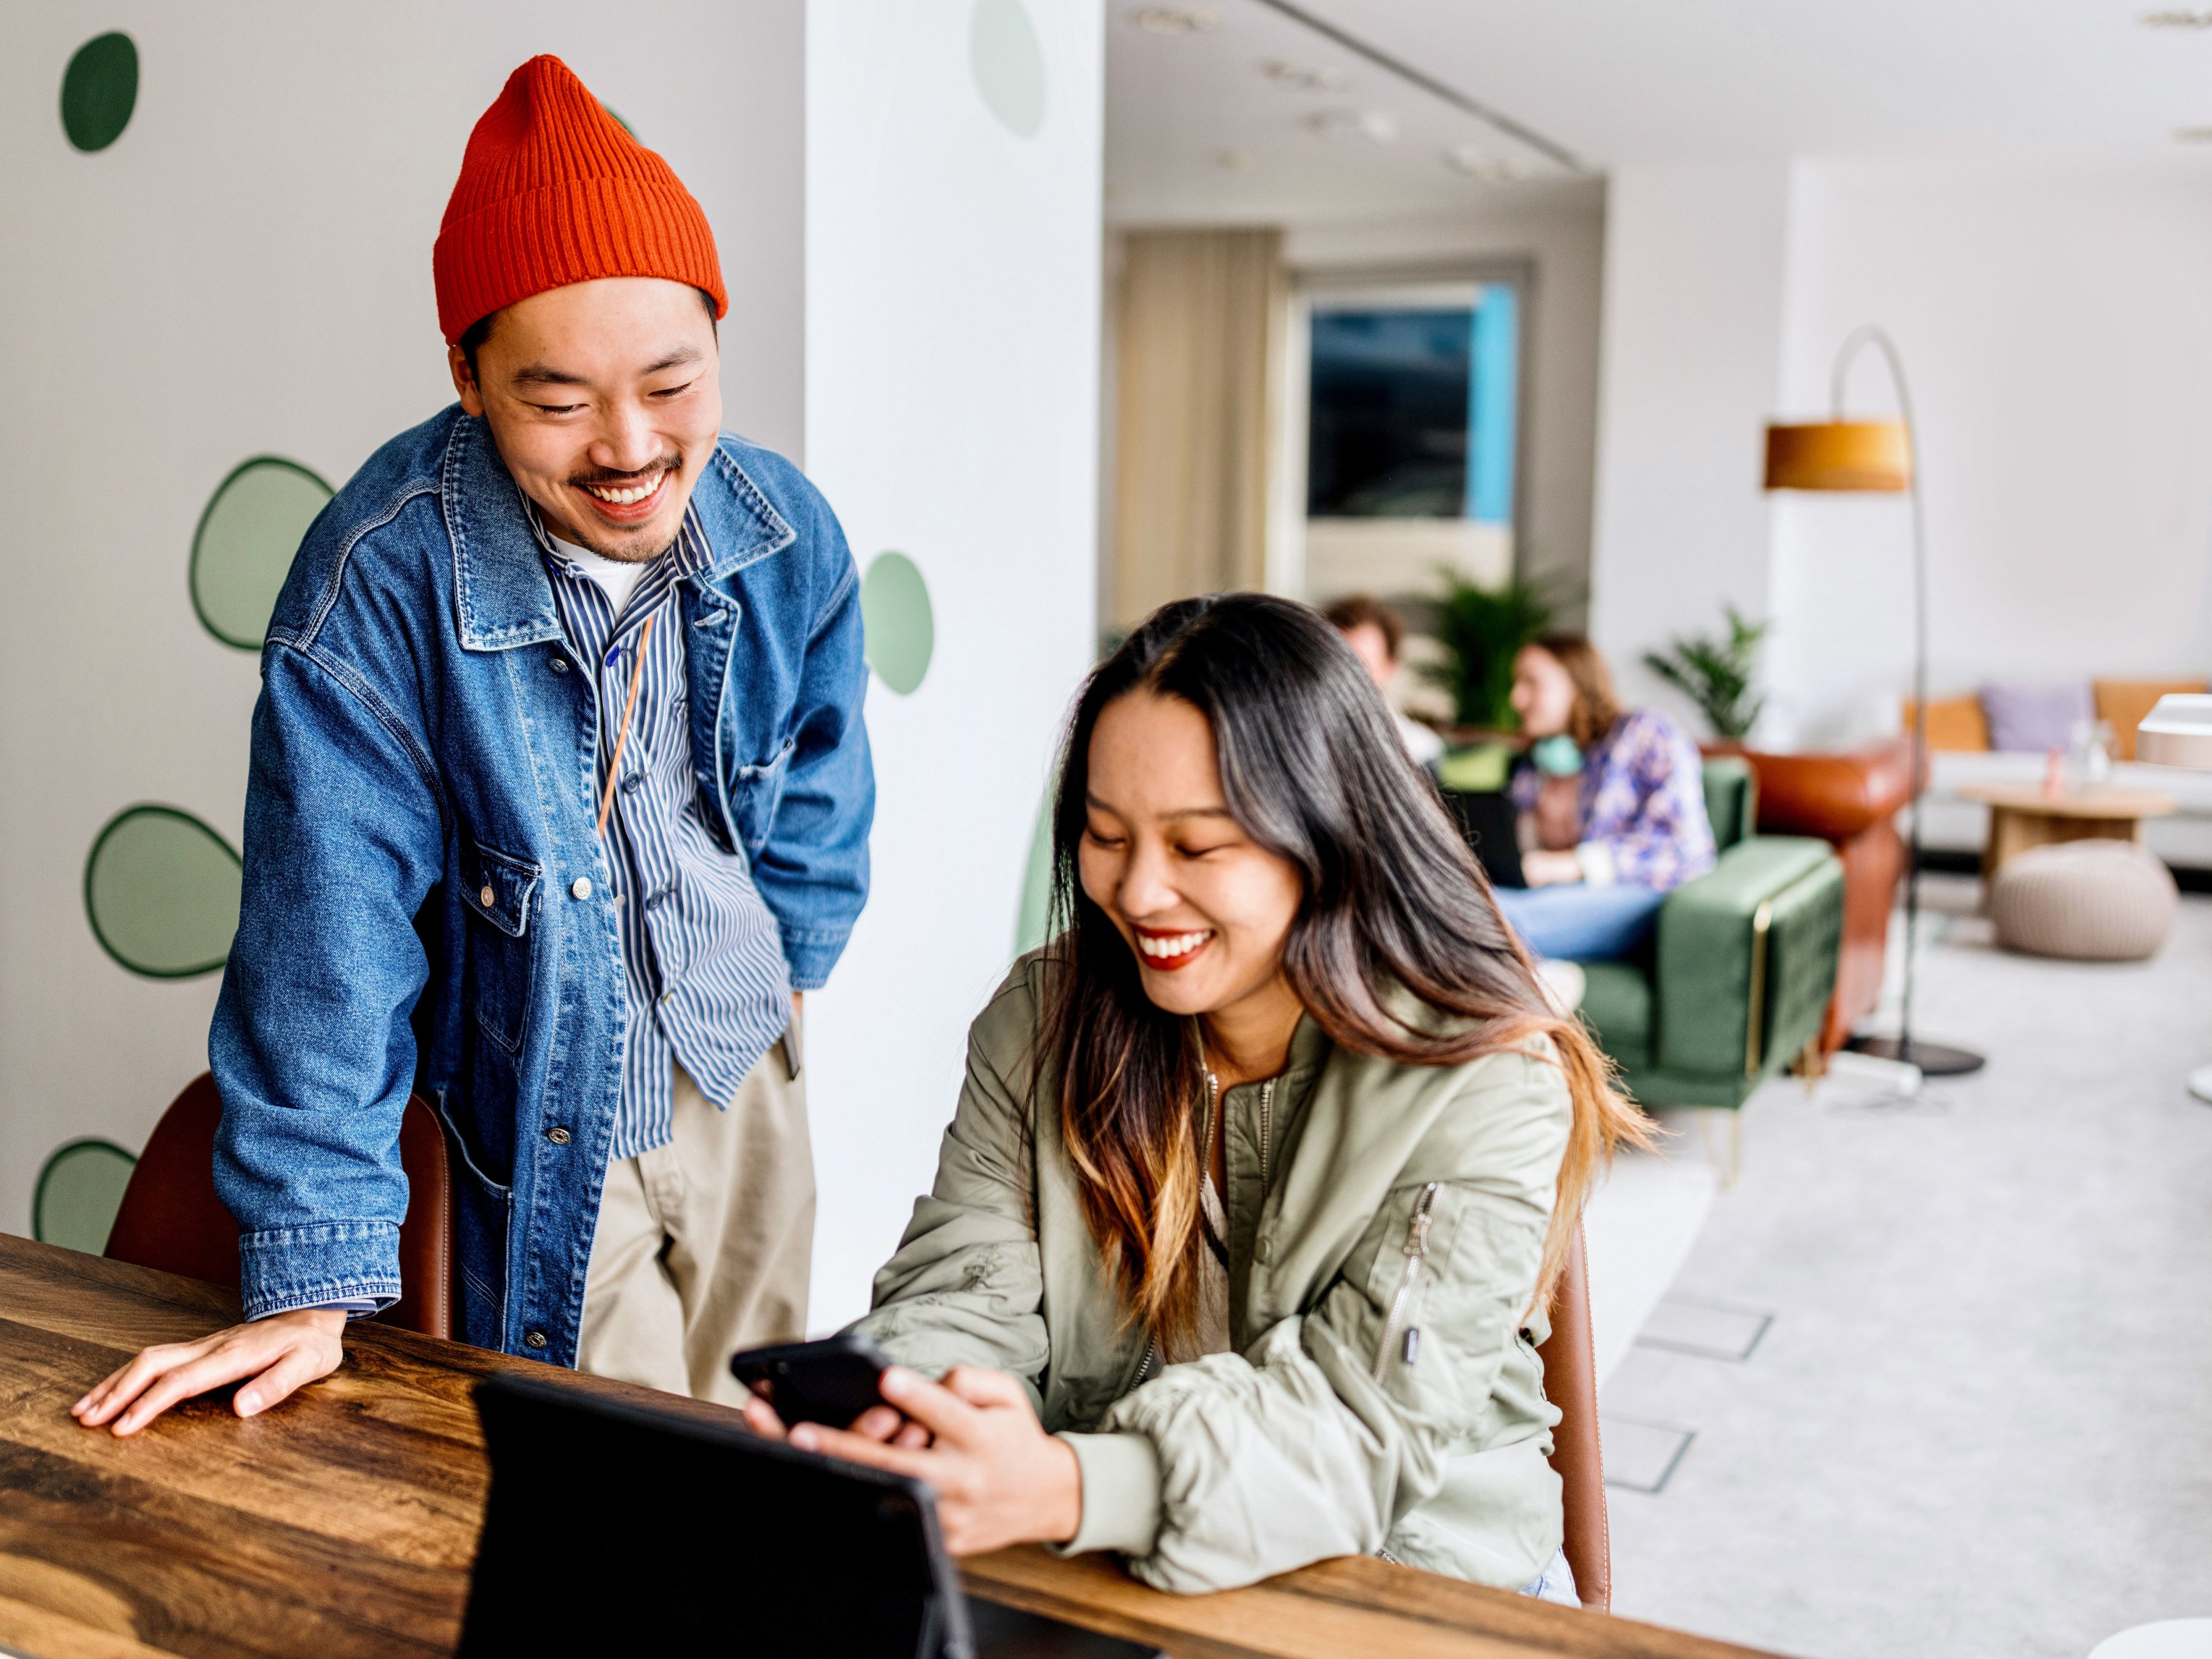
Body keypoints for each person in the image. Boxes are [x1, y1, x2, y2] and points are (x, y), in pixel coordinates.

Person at [73, 57, 872, 1437]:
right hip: (551, 1108)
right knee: (610, 1502)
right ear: (467, 375)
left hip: (748, 1067)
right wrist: (310, 1280)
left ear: (716, 341)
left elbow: (818, 760)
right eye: (559, 400)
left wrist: (795, 974)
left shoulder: (783, 528)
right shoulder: (374, 585)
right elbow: (327, 943)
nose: (630, 446)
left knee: (771, 1454)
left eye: (673, 382)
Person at [740, 594, 1647, 1602]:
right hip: (1102, 1549)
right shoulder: (1043, 1018)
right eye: (1106, 834)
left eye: (1200, 846)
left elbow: (1358, 1426)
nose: (1136, 893)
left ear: (1332, 833)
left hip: (1403, 1581)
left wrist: (1080, 1484)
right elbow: (966, 1289)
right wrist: (921, 1405)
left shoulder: (1487, 1081)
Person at [1491, 635, 1714, 962]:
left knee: (1488, 919)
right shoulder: (1532, 766)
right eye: (1516, 683)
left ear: (1578, 684)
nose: (1516, 698)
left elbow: (1683, 847)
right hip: (1556, 897)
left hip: (1642, 892)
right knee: (1452, 901)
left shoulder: (1646, 733)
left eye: (1532, 683)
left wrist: (1569, 866)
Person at [1324, 594, 1446, 766]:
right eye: (1337, 661)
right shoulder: (1295, 739)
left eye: (1362, 664)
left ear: (1390, 666)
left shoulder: (1420, 749)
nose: (1347, 676)